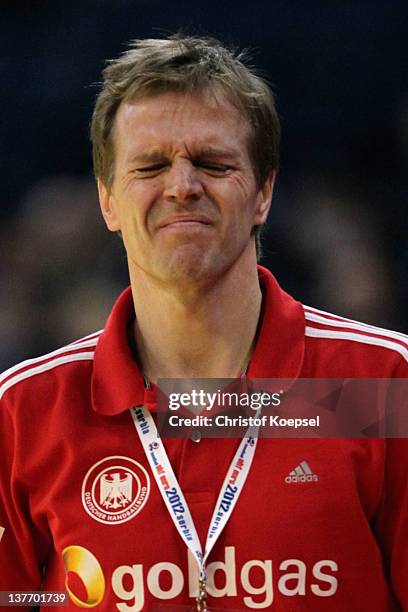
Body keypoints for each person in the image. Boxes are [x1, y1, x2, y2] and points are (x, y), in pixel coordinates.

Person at [0, 34, 407, 612]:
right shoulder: (23, 414)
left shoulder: (383, 386)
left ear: (264, 192)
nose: (182, 185)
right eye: (150, 165)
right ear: (107, 200)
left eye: (213, 164)